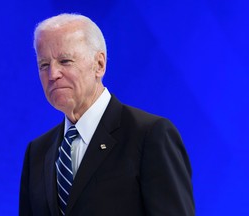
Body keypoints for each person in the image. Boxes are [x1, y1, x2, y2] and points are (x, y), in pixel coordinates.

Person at [19, 13, 195, 216]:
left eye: (65, 61)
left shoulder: (149, 136)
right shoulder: (37, 152)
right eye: (44, 65)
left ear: (99, 65)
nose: (53, 74)